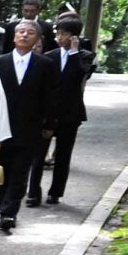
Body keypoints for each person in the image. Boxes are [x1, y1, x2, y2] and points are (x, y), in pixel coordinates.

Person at [0, 19, 56, 232]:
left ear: (38, 39)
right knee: (2, 170)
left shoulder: (45, 65)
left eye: (30, 32)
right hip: (1, 128)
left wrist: (49, 123)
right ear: (13, 36)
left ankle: (9, 213)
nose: (24, 35)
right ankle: (1, 206)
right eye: (21, 31)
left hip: (30, 129)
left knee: (20, 173)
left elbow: (50, 97)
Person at [40, 15, 95, 206]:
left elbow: (79, 74)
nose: (58, 38)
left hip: (71, 113)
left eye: (63, 34)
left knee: (63, 155)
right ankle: (33, 190)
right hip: (49, 112)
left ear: (74, 37)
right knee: (39, 153)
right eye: (58, 34)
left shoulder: (85, 56)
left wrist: (73, 52)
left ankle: (55, 192)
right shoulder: (49, 56)